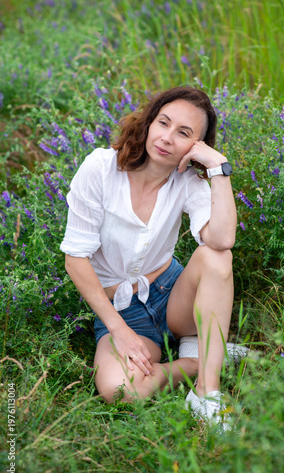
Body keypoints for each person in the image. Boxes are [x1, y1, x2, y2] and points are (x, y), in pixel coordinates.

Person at [60, 86, 241, 428]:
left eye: (184, 133)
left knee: (217, 257)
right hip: (124, 312)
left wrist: (218, 167)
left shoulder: (187, 181)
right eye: (164, 123)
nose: (167, 137)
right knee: (120, 390)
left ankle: (207, 390)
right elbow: (75, 259)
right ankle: (199, 359)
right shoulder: (100, 168)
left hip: (174, 298)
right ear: (149, 122)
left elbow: (222, 238)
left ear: (196, 147)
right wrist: (119, 329)